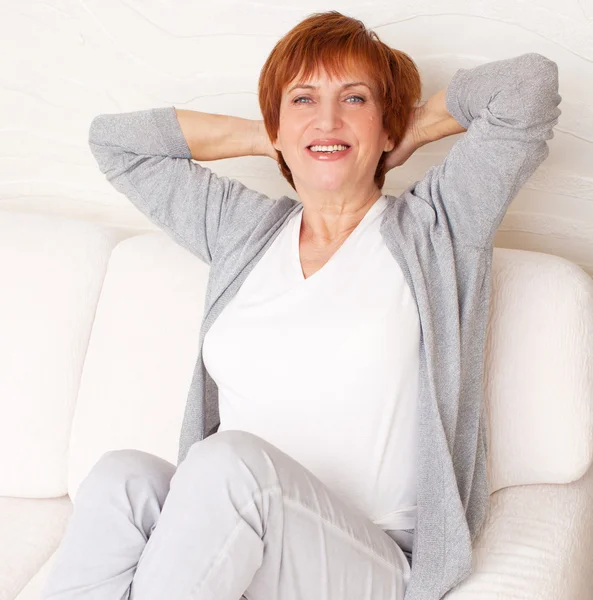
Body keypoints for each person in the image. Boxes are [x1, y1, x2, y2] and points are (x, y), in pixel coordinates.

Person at [40, 9, 561, 600]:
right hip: (229, 530)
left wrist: (407, 129)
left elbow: (528, 86)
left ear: (386, 125)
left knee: (224, 465)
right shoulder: (243, 231)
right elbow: (115, 143)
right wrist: (273, 138)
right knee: (119, 479)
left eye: (356, 99)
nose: (329, 118)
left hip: (370, 558)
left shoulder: (438, 227)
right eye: (304, 99)